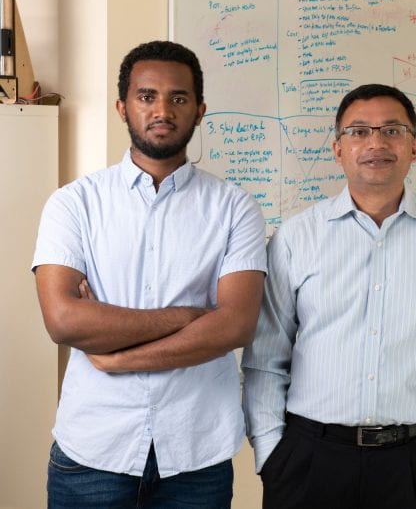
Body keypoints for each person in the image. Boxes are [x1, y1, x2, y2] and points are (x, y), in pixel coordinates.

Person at [32, 41, 266, 508]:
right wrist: (191, 316)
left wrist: (117, 354)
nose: (163, 109)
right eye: (146, 96)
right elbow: (63, 322)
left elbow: (236, 325)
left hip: (196, 457)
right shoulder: (74, 204)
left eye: (178, 98)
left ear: (199, 110)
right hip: (94, 452)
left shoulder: (235, 208)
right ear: (123, 107)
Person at [242, 83, 416, 509]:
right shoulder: (295, 238)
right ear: (338, 148)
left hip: (415, 464)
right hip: (309, 461)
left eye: (392, 130)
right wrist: (272, 455)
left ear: (414, 147)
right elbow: (266, 359)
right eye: (358, 131)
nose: (376, 142)